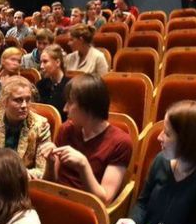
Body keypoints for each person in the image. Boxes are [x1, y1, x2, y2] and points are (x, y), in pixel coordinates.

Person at [47, 75, 132, 204]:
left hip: (86, 208)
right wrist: (50, 163)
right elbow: (51, 183)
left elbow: (105, 199)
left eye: (70, 103)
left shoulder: (121, 142)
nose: (65, 109)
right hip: (56, 201)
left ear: (88, 107)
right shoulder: (66, 129)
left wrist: (83, 165)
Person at [0, 77, 54, 179]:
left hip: (24, 182)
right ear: (5, 101)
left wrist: (18, 174)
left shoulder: (41, 125)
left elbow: (42, 170)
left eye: (28, 100)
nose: (24, 105)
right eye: (18, 100)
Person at [35, 44, 69, 118]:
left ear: (57, 62)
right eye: (41, 62)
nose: (41, 66)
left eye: (45, 62)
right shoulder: (40, 85)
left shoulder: (70, 87)